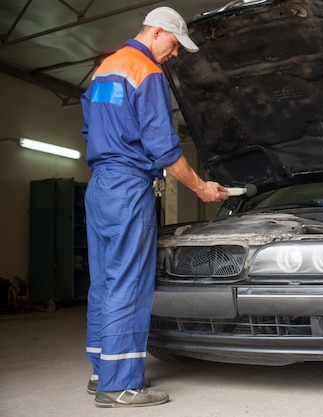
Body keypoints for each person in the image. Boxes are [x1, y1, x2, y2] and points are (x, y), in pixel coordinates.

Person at [80, 6, 228, 408]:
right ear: (159, 32)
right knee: (129, 283)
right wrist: (200, 187)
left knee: (105, 283)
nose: (175, 53)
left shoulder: (105, 69)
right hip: (128, 187)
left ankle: (102, 373)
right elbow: (165, 150)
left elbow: (89, 129)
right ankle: (120, 385)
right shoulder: (147, 72)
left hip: (100, 187)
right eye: (175, 44)